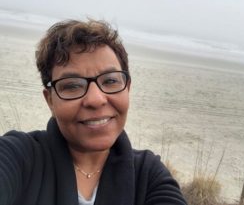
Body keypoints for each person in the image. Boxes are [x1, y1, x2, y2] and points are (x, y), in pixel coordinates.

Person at [0, 19, 187, 205]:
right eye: (72, 85)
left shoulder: (148, 175)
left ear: (127, 88)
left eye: (111, 81)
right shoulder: (20, 156)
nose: (96, 100)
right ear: (50, 100)